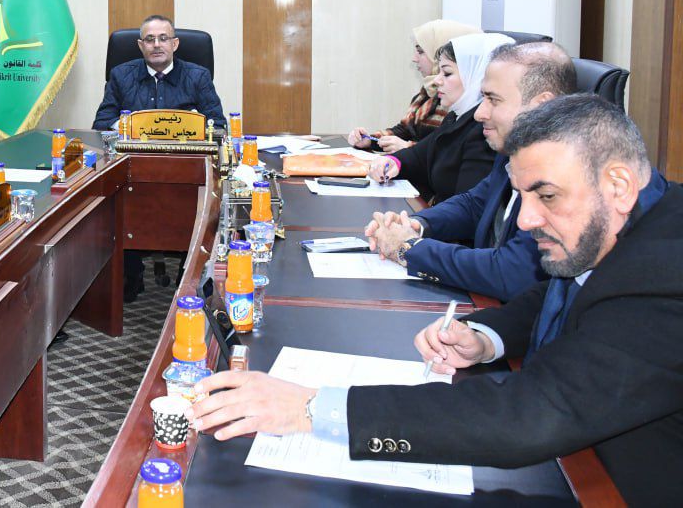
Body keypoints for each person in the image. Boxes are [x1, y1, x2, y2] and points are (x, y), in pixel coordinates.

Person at [189, 95, 680, 506]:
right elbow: (560, 294)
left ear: (618, 185)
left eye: (546, 196)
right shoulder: (627, 227)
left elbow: (536, 412)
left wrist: (313, 408)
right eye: (522, 196)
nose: (525, 220)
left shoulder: (667, 273)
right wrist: (485, 336)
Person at [364, 41, 577, 301]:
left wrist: (411, 248)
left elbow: (511, 272)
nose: (479, 113)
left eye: (493, 100)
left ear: (542, 105)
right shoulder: (513, 150)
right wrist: (416, 225)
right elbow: (475, 204)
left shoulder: (565, 176)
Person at [367, 32, 510, 204]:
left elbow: (467, 207)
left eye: (447, 73)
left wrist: (419, 220)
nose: (437, 80)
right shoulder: (455, 117)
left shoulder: (483, 129)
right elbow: (419, 155)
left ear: (474, 76)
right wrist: (392, 161)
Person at [347, 19, 480, 153]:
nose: (414, 59)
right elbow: (405, 130)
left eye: (421, 51)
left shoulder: (461, 101)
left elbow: (447, 152)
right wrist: (370, 140)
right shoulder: (428, 91)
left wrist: (409, 148)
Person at [92, 15, 226, 130]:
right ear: (141, 45)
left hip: (183, 150)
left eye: (163, 38)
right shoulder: (120, 76)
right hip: (134, 150)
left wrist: (192, 125)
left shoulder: (199, 77)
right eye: (149, 39)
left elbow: (218, 125)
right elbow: (101, 124)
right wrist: (129, 126)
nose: (156, 45)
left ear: (174, 44)